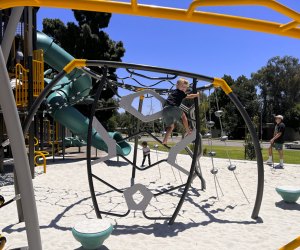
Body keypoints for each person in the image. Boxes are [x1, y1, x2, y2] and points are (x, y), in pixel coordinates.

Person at [162, 78, 199, 145]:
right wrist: (196, 95)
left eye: (185, 87)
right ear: (177, 86)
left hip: (165, 110)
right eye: (182, 86)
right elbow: (189, 96)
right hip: (172, 107)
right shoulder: (181, 92)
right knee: (183, 116)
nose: (183, 88)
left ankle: (165, 140)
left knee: (171, 127)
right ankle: (187, 130)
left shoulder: (174, 92)